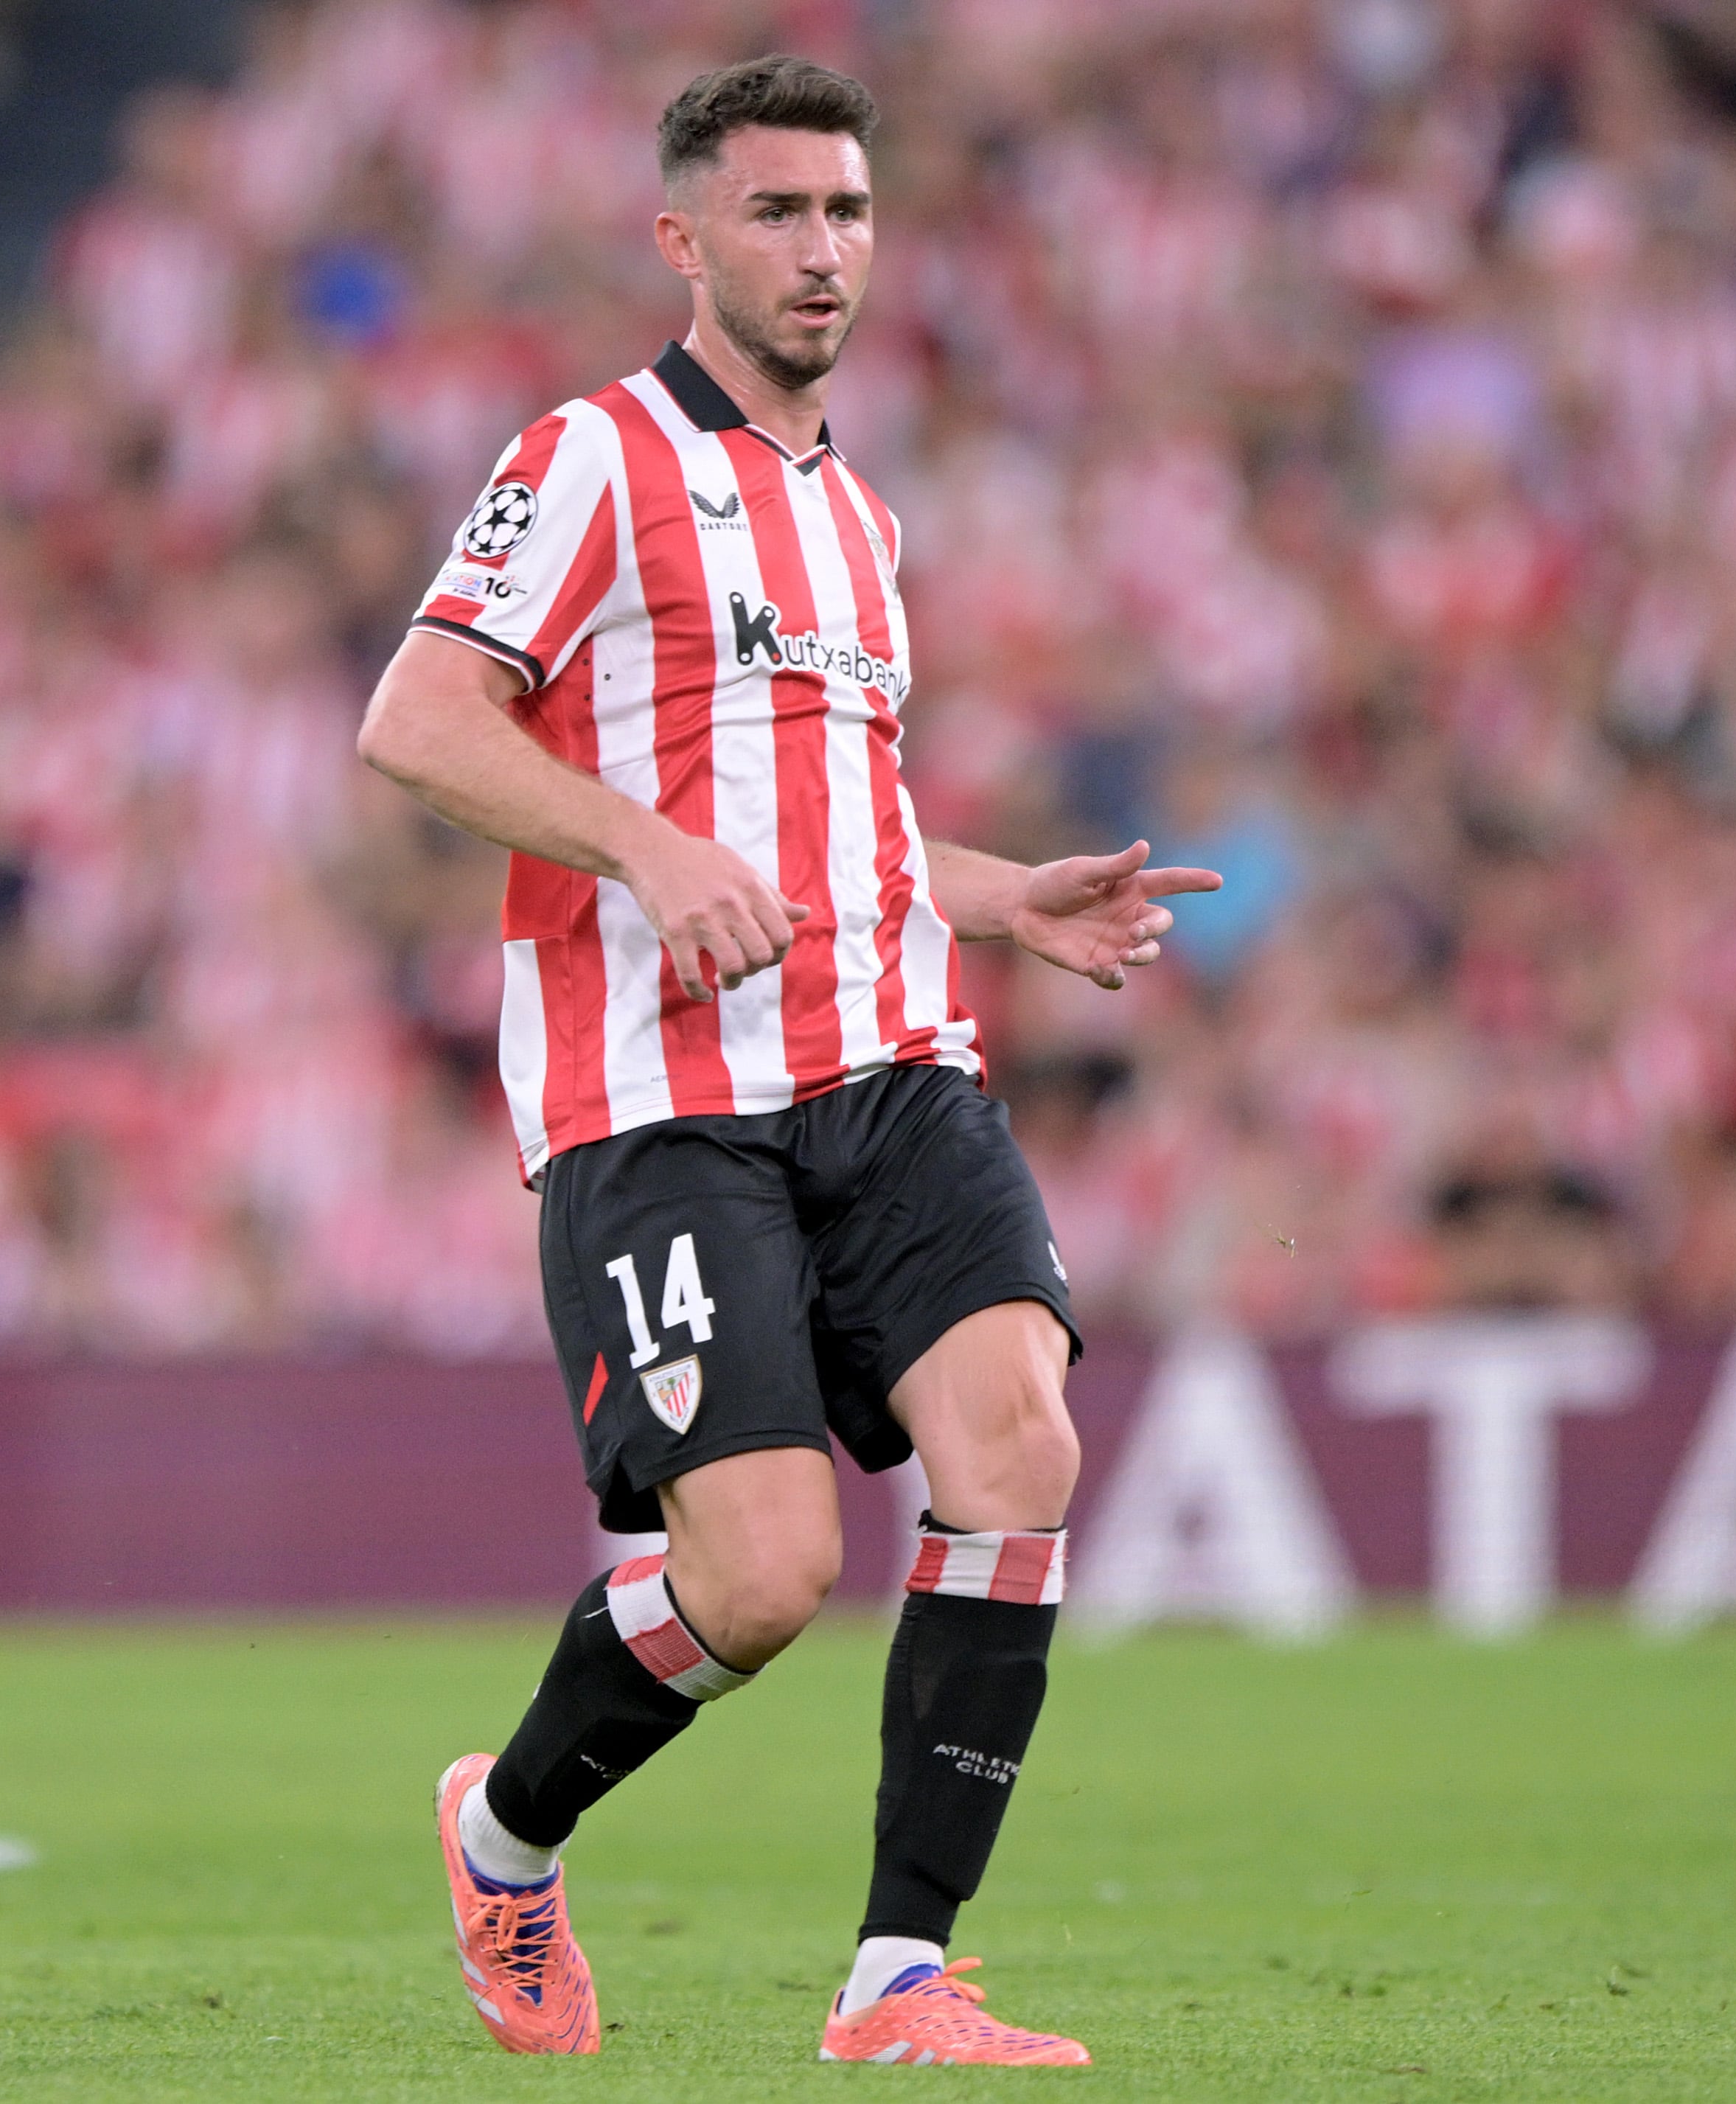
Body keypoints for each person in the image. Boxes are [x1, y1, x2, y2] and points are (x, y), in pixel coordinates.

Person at [355, 52, 1218, 2068]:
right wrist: (641, 851)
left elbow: (840, 818)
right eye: (775, 212)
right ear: (683, 239)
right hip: (659, 1102)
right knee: (751, 1586)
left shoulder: (859, 521)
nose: (820, 249)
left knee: (1020, 1451)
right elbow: (416, 717)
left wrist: (998, 900)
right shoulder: (588, 458)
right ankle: (502, 1832)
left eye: (843, 211)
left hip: (895, 1057)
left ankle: (898, 1977)